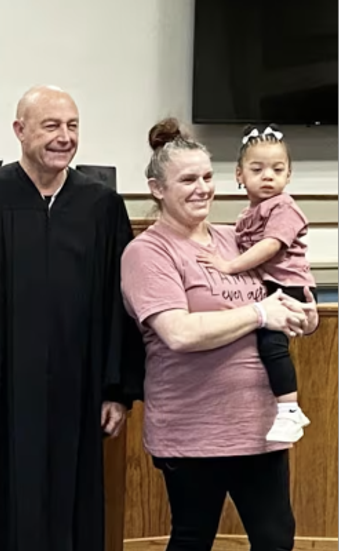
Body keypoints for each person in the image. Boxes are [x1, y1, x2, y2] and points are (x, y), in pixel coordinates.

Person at [0, 85, 146, 551]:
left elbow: (122, 304)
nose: (64, 137)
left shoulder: (102, 206)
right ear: (19, 130)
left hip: (79, 391)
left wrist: (117, 390)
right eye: (51, 125)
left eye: (72, 126)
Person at [120, 117, 318, 551]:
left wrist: (302, 315)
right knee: (193, 539)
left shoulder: (238, 241)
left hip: (260, 429)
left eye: (207, 177)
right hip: (193, 432)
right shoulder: (147, 253)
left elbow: (285, 296)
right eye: (188, 179)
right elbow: (179, 333)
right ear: (157, 189)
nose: (202, 188)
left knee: (275, 540)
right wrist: (259, 314)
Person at [195, 124, 315, 443]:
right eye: (257, 169)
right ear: (239, 174)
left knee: (272, 345)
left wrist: (228, 266)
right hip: (269, 287)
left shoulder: (283, 206)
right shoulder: (248, 213)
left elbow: (270, 245)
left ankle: (289, 409)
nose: (268, 176)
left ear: (288, 175)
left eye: (278, 169)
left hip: (288, 286)